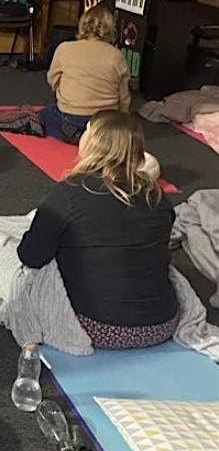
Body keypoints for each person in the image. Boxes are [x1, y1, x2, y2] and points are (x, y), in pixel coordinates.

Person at [17, 110, 178, 350]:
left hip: (98, 327)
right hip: (162, 325)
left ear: (93, 142)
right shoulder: (157, 196)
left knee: (27, 277)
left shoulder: (70, 193)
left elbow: (31, 256)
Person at [43, 6, 130, 143]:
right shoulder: (117, 56)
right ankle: (97, 137)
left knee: (46, 113)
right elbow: (124, 96)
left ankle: (77, 135)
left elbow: (52, 79)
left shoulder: (64, 48)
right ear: (111, 30)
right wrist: (122, 121)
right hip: (105, 122)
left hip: (70, 118)